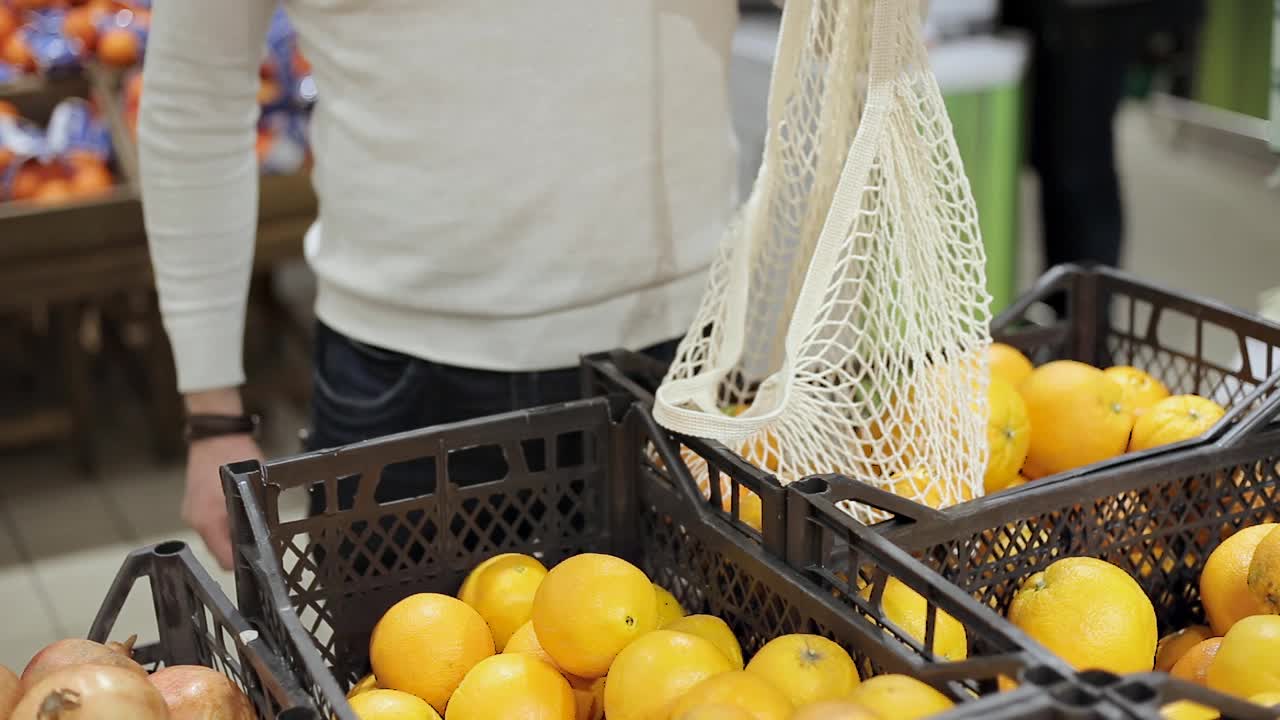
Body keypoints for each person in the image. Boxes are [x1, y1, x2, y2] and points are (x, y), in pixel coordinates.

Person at [141, 2, 742, 569]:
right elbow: (196, 102)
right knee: (394, 671)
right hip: (398, 383)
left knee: (712, 666)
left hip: (681, 352)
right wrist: (212, 413)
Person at [1003, 0, 1204, 271]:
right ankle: (1062, 292)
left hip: (1094, 14)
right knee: (1054, 159)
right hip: (1064, 15)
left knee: (1081, 163)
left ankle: (1089, 301)